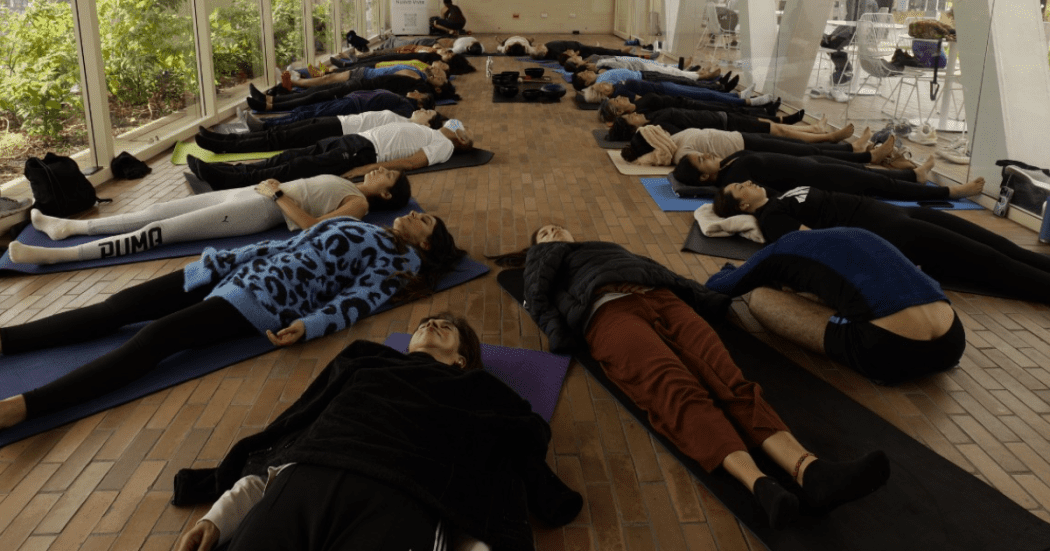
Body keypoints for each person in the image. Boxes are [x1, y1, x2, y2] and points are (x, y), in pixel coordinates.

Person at [490, 225, 890, 529]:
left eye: (557, 227)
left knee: (728, 378)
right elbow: (538, 298)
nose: (554, 230)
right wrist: (544, 257)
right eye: (544, 232)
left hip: (661, 299)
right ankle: (759, 485)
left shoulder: (603, 247)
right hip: (608, 315)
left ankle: (809, 470)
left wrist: (706, 297)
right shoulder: (544, 260)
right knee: (675, 392)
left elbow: (658, 271)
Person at [0, 213, 467, 430]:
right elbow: (290, 241)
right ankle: (6, 341)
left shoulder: (399, 263)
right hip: (231, 267)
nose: (413, 214)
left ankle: (28, 405)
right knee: (117, 307)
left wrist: (312, 324)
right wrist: (224, 259)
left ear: (427, 244)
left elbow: (356, 301)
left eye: (423, 220)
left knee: (156, 337)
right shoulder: (373, 228)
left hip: (261, 297)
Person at [171, 313, 583, 551]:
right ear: (406, 345)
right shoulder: (366, 360)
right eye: (426, 321)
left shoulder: (481, 389)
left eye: (446, 326)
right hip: (308, 477)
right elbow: (300, 425)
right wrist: (220, 519)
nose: (433, 322)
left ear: (461, 359)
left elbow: (512, 449)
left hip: (403, 491)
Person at [708, 180, 1050, 304]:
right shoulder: (773, 219)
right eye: (741, 187)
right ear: (743, 206)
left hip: (901, 215)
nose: (749, 182)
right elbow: (819, 244)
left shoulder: (778, 198)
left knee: (1005, 247)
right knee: (992, 263)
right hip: (898, 234)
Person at [705, 228, 966, 385]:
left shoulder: (779, 249)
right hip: (952, 339)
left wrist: (729, 270)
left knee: (760, 298)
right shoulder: (855, 236)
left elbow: (721, 287)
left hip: (889, 348)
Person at [9, 167, 410, 264]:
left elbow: (309, 228)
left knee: (160, 230)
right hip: (255, 194)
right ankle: (69, 227)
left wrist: (279, 194)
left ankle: (58, 255)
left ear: (387, 193)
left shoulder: (359, 205)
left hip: (261, 208)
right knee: (158, 209)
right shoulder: (351, 182)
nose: (379, 169)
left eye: (386, 175)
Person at [187, 119, 474, 190]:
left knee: (298, 166)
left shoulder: (446, 146)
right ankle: (235, 169)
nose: (459, 126)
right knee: (290, 155)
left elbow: (413, 162)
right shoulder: (433, 129)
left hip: (363, 153)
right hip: (354, 140)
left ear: (461, 141)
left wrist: (367, 169)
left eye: (463, 130)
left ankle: (230, 179)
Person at [665, 144, 984, 201]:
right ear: (705, 178)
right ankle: (951, 192)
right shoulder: (733, 182)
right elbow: (770, 196)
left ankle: (916, 176)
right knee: (878, 186)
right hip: (819, 182)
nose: (707, 155)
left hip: (815, 168)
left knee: (873, 176)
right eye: (701, 161)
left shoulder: (730, 161)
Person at [196, 108, 448, 153]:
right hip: (337, 121)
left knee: (280, 139)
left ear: (427, 124)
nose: (423, 109)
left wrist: (450, 127)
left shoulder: (408, 128)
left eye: (428, 113)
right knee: (283, 131)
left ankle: (225, 144)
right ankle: (228, 139)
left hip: (338, 131)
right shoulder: (404, 118)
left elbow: (452, 126)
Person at [619, 124, 866, 168]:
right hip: (748, 147)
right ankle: (854, 151)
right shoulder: (681, 154)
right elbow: (713, 164)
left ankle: (838, 142)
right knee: (806, 153)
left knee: (795, 143)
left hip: (742, 136)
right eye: (657, 132)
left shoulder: (676, 141)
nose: (662, 129)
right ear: (656, 142)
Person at [609, 107, 831, 142]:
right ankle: (824, 137)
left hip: (722, 116)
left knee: (770, 125)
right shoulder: (659, 126)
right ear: (633, 128)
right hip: (725, 126)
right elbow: (687, 133)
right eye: (632, 117)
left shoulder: (653, 116)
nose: (635, 113)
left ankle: (812, 129)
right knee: (778, 130)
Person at [248, 75, 449, 112]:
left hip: (353, 97)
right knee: (315, 94)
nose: (414, 91)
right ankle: (270, 100)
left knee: (313, 99)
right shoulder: (409, 95)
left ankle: (269, 104)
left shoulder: (406, 103)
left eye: (418, 94)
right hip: (357, 90)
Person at [598, 92, 781, 123]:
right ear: (620, 111)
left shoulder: (636, 102)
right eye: (617, 101)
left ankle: (764, 108)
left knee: (726, 105)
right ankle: (767, 113)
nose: (619, 97)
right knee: (729, 111)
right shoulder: (640, 112)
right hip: (690, 108)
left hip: (686, 101)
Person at [581, 78, 774, 106]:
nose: (603, 83)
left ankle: (739, 96)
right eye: (601, 87)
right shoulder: (619, 94)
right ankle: (749, 102)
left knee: (703, 91)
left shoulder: (617, 86)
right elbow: (643, 98)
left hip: (664, 85)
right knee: (707, 96)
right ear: (603, 95)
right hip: (667, 92)